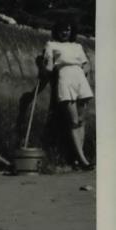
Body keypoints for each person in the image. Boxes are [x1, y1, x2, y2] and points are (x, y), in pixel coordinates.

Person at [42, 19, 94, 170]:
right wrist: (44, 67)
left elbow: (86, 64)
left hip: (80, 79)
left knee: (82, 121)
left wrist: (85, 74)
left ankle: (78, 159)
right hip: (65, 78)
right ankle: (83, 160)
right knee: (73, 121)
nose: (65, 32)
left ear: (71, 31)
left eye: (68, 30)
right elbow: (50, 68)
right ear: (57, 31)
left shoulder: (77, 46)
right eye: (62, 29)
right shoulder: (51, 44)